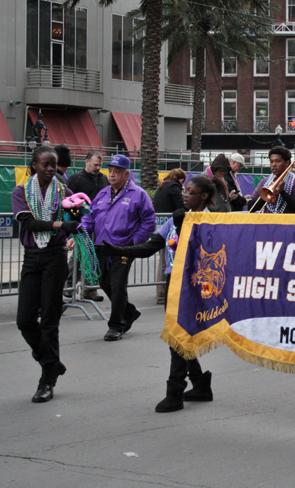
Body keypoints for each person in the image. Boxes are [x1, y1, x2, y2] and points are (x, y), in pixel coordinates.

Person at [98, 175, 228, 412]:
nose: (185, 195)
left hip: (194, 286)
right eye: (184, 191)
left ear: (204, 196)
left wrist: (182, 226)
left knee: (176, 337)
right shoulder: (176, 218)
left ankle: (175, 392)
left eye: (190, 192)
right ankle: (200, 385)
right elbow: (150, 246)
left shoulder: (210, 221)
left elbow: (205, 255)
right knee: (180, 338)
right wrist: (117, 250)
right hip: (173, 282)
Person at [12, 146, 80, 403]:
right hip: (32, 257)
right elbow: (28, 222)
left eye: (54, 165)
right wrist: (60, 224)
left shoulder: (65, 192)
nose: (51, 169)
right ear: (34, 165)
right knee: (25, 320)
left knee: (50, 320)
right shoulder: (21, 193)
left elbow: (79, 218)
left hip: (54, 257)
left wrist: (77, 221)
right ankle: (52, 362)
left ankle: (46, 381)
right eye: (45, 165)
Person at [78, 154, 156, 341]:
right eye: (110, 171)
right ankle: (128, 312)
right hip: (102, 246)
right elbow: (89, 217)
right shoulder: (103, 193)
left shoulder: (138, 194)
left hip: (123, 248)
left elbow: (149, 221)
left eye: (117, 172)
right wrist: (81, 233)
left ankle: (116, 325)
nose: (112, 175)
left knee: (118, 285)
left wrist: (134, 243)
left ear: (126, 174)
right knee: (104, 282)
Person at [65, 150, 110, 302]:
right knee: (78, 256)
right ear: (86, 162)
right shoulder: (75, 179)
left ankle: (90, 290)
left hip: (99, 225)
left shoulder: (104, 179)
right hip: (80, 225)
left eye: (100, 165)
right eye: (95, 164)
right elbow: (67, 201)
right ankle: (68, 286)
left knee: (94, 257)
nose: (98, 167)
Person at [152, 168, 186, 304]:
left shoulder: (162, 187)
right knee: (167, 261)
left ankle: (161, 292)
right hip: (171, 227)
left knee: (163, 260)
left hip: (159, 226)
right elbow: (181, 206)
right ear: (181, 180)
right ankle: (162, 294)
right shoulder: (174, 188)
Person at [247, 146, 295, 213]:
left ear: (287, 163)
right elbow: (250, 207)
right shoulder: (265, 182)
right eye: (271, 161)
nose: (273, 165)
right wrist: (266, 195)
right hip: (267, 222)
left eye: (278, 161)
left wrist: (282, 192)